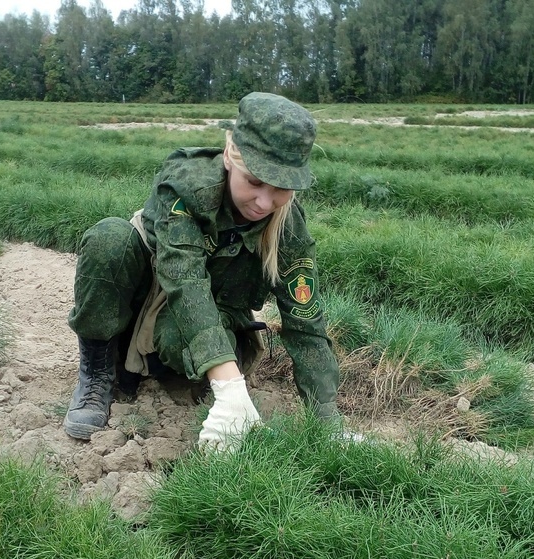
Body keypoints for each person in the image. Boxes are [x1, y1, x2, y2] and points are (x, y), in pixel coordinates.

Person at [63, 92, 340, 451]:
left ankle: (168, 370)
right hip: (154, 292)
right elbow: (186, 282)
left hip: (210, 321)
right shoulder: (186, 187)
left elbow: (307, 327)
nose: (264, 203)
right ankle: (99, 373)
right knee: (109, 239)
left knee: (178, 338)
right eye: (254, 182)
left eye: (281, 190)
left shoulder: (289, 228)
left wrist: (327, 419)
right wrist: (230, 387)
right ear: (229, 155)